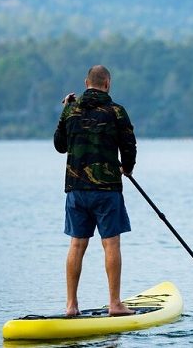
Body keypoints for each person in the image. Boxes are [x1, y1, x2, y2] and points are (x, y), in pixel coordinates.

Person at [54, 65, 137, 317]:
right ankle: (114, 304)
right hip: (107, 189)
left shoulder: (71, 109)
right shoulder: (116, 112)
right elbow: (129, 146)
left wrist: (65, 110)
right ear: (107, 84)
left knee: (77, 245)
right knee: (111, 244)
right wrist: (128, 168)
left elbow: (59, 145)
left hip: (76, 189)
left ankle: (71, 306)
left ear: (86, 82)